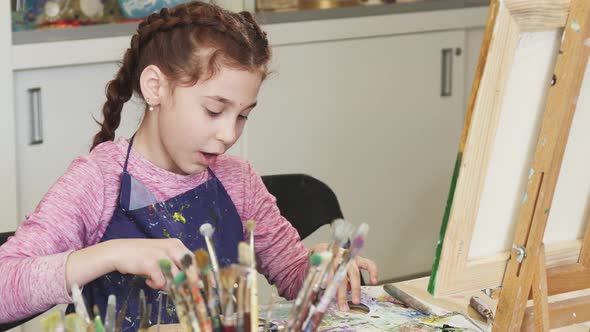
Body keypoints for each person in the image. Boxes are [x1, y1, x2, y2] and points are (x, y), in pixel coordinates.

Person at [0, 1, 378, 330]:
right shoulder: (97, 181)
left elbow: (294, 275)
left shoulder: (238, 180)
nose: (228, 133)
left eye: (243, 115)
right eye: (214, 110)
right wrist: (110, 254)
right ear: (155, 88)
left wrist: (326, 272)